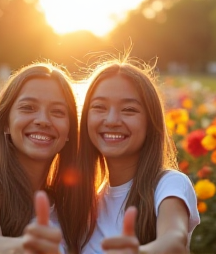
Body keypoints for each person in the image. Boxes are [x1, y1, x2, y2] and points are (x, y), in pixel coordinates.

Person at [72, 53, 200, 254]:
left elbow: (174, 239)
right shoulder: (87, 202)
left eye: (129, 109)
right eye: (99, 107)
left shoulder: (168, 184)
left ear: (150, 122)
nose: (112, 120)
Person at [0, 62, 79, 254]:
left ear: (69, 130)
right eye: (28, 107)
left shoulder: (67, 205)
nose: (43, 120)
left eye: (58, 112)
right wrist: (25, 246)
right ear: (6, 124)